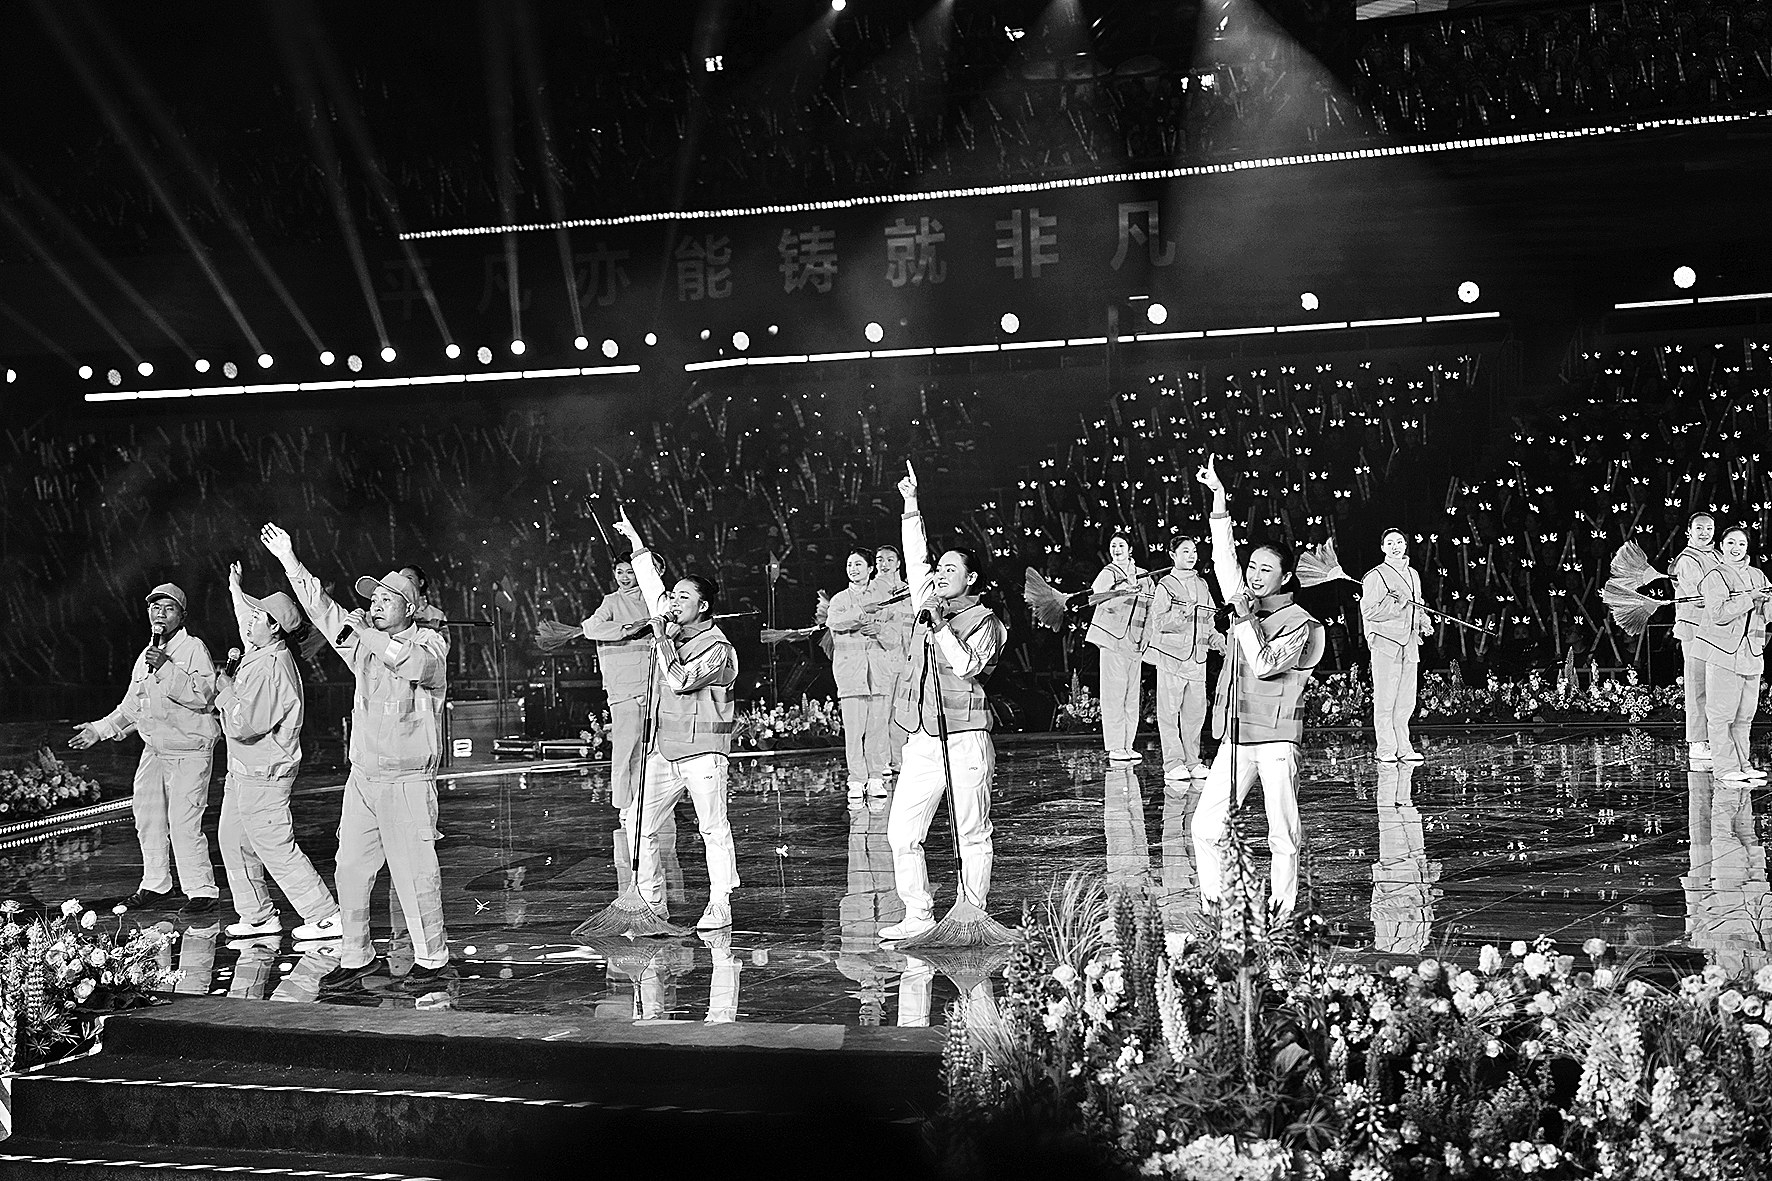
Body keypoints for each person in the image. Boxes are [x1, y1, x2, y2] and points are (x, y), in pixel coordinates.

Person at [259, 523, 452, 990]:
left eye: (386, 599)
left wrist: (365, 632)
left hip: (406, 782)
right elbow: (321, 608)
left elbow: (409, 663)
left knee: (415, 875)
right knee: (349, 869)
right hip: (364, 778)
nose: (374, 605)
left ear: (410, 609)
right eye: (372, 599)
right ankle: (355, 954)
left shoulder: (430, 644)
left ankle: (433, 961)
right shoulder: (362, 641)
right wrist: (289, 560)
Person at [1191, 455, 1325, 918]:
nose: (1253, 575)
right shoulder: (1246, 604)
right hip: (1237, 736)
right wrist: (1219, 500)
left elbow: (1266, 665)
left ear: (1286, 577)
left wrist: (1245, 617)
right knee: (1205, 826)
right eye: (1252, 567)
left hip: (1277, 740)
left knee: (1281, 834)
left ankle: (1282, 914)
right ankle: (1218, 909)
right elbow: (1222, 561)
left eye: (1266, 569)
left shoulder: (1300, 622)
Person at [879, 464, 1008, 943]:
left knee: (972, 831)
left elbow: (968, 665)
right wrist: (911, 504)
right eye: (939, 568)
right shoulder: (927, 603)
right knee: (901, 832)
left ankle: (971, 914)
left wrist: (939, 627)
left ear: (971, 578)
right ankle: (918, 913)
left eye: (950, 569)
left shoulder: (986, 622)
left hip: (966, 738)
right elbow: (916, 560)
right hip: (923, 738)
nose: (939, 574)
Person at [610, 509, 740, 931]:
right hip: (665, 752)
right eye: (673, 596)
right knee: (637, 823)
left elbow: (681, 679)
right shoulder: (673, 631)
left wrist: (661, 639)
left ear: (703, 606)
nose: (672, 602)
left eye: (683, 597)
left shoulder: (717, 646)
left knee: (713, 829)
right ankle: (651, 902)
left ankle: (720, 903)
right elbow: (653, 589)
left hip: (704, 754)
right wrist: (636, 543)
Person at [71, 582, 221, 915]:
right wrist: (100, 729)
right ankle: (156, 883)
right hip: (154, 750)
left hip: (189, 750)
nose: (160, 614)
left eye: (168, 608)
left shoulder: (193, 648)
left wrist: (166, 667)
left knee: (183, 822)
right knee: (148, 818)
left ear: (182, 615)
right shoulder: (146, 655)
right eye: (155, 608)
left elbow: (204, 696)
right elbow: (132, 706)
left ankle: (201, 890)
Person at [216, 562, 340, 942]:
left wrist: (224, 692)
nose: (249, 622)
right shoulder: (259, 648)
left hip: (264, 776)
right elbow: (246, 619)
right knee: (233, 840)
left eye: (259, 617)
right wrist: (236, 589)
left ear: (274, 628)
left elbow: (243, 724)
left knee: (275, 847)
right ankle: (257, 916)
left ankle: (325, 915)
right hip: (244, 772)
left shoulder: (271, 667)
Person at [579, 555, 654, 817]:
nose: (624, 577)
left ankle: (645, 802)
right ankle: (624, 806)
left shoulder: (654, 600)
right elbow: (590, 628)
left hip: (653, 685)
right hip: (623, 688)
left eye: (629, 572)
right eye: (619, 572)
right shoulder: (611, 602)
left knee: (649, 750)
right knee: (625, 749)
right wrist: (626, 629)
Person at [1695, 525, 1769, 782]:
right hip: (1724, 654)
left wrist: (1767, 601)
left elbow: (1768, 614)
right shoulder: (1716, 576)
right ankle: (1725, 768)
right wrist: (1749, 599)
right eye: (1731, 543)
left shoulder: (1758, 575)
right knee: (1721, 715)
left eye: (1741, 544)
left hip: (1752, 653)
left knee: (1744, 716)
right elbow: (1718, 614)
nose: (1736, 548)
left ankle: (1743, 765)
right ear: (1722, 546)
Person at [1143, 535, 1220, 781]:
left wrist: (1218, 641)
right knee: (1169, 713)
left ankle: (1192, 761)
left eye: (1194, 550)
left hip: (1197, 659)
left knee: (1195, 714)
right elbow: (1157, 622)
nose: (1191, 555)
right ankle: (1173, 763)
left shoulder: (1202, 585)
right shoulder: (1166, 585)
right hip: (1172, 658)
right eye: (1185, 551)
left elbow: (1208, 621)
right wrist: (1180, 615)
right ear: (1172, 555)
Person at [1361, 528, 1435, 763]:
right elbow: (1369, 611)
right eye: (1390, 543)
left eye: (1400, 542)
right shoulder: (1376, 575)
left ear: (1405, 545)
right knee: (1386, 699)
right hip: (1386, 643)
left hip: (1409, 642)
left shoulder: (1413, 574)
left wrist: (1422, 620)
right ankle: (1385, 748)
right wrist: (1397, 606)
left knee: (1406, 700)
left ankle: (1404, 747)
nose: (1395, 546)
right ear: (1383, 547)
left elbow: (1417, 603)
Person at [826, 548, 892, 797]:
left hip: (878, 674)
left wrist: (879, 631)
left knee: (877, 730)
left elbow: (894, 635)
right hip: (851, 675)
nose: (853, 569)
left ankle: (876, 777)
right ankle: (856, 779)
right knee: (854, 732)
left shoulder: (883, 599)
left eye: (858, 564)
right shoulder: (840, 599)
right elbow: (835, 622)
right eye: (849, 565)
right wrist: (863, 610)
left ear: (870, 569)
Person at [1085, 534, 1153, 761]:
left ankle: (1127, 745)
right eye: (1113, 545)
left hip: (1135, 642)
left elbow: (1152, 608)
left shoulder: (1144, 576)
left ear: (1130, 549)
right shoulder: (1109, 573)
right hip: (1112, 641)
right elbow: (1098, 599)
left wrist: (1147, 636)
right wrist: (1123, 593)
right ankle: (1115, 746)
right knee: (1114, 695)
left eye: (1121, 545)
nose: (1116, 549)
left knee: (1131, 697)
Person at [1672, 513, 1721, 770]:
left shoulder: (1718, 556)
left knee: (1717, 686)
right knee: (1697, 684)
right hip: (1694, 629)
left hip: (1718, 629)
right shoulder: (1687, 560)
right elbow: (1699, 596)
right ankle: (1697, 742)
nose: (1705, 532)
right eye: (1699, 528)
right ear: (1689, 531)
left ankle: (1714, 738)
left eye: (1709, 528)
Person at [872, 544, 914, 777]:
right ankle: (880, 762)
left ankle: (898, 759)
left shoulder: (909, 591)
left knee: (900, 711)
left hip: (905, 660)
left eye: (889, 559)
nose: (884, 564)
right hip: (881, 659)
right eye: (880, 559)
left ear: (898, 563)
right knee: (881, 712)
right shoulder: (871, 590)